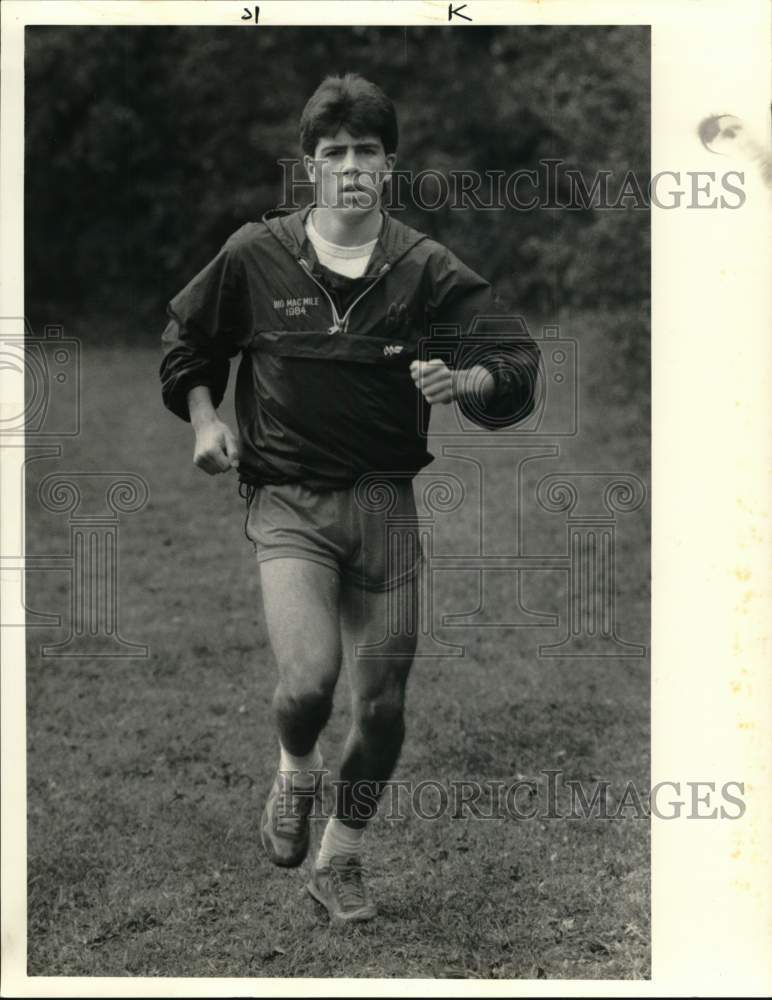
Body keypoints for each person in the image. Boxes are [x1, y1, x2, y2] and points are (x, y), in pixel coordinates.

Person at [159, 73, 541, 923]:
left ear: (389, 165)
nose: (352, 166)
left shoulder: (423, 267)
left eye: (367, 150)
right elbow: (190, 340)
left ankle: (341, 860)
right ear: (310, 170)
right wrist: (202, 418)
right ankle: (295, 771)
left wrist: (467, 375)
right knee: (307, 685)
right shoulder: (256, 253)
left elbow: (515, 361)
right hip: (288, 499)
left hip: (384, 507)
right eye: (334, 153)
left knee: (383, 706)